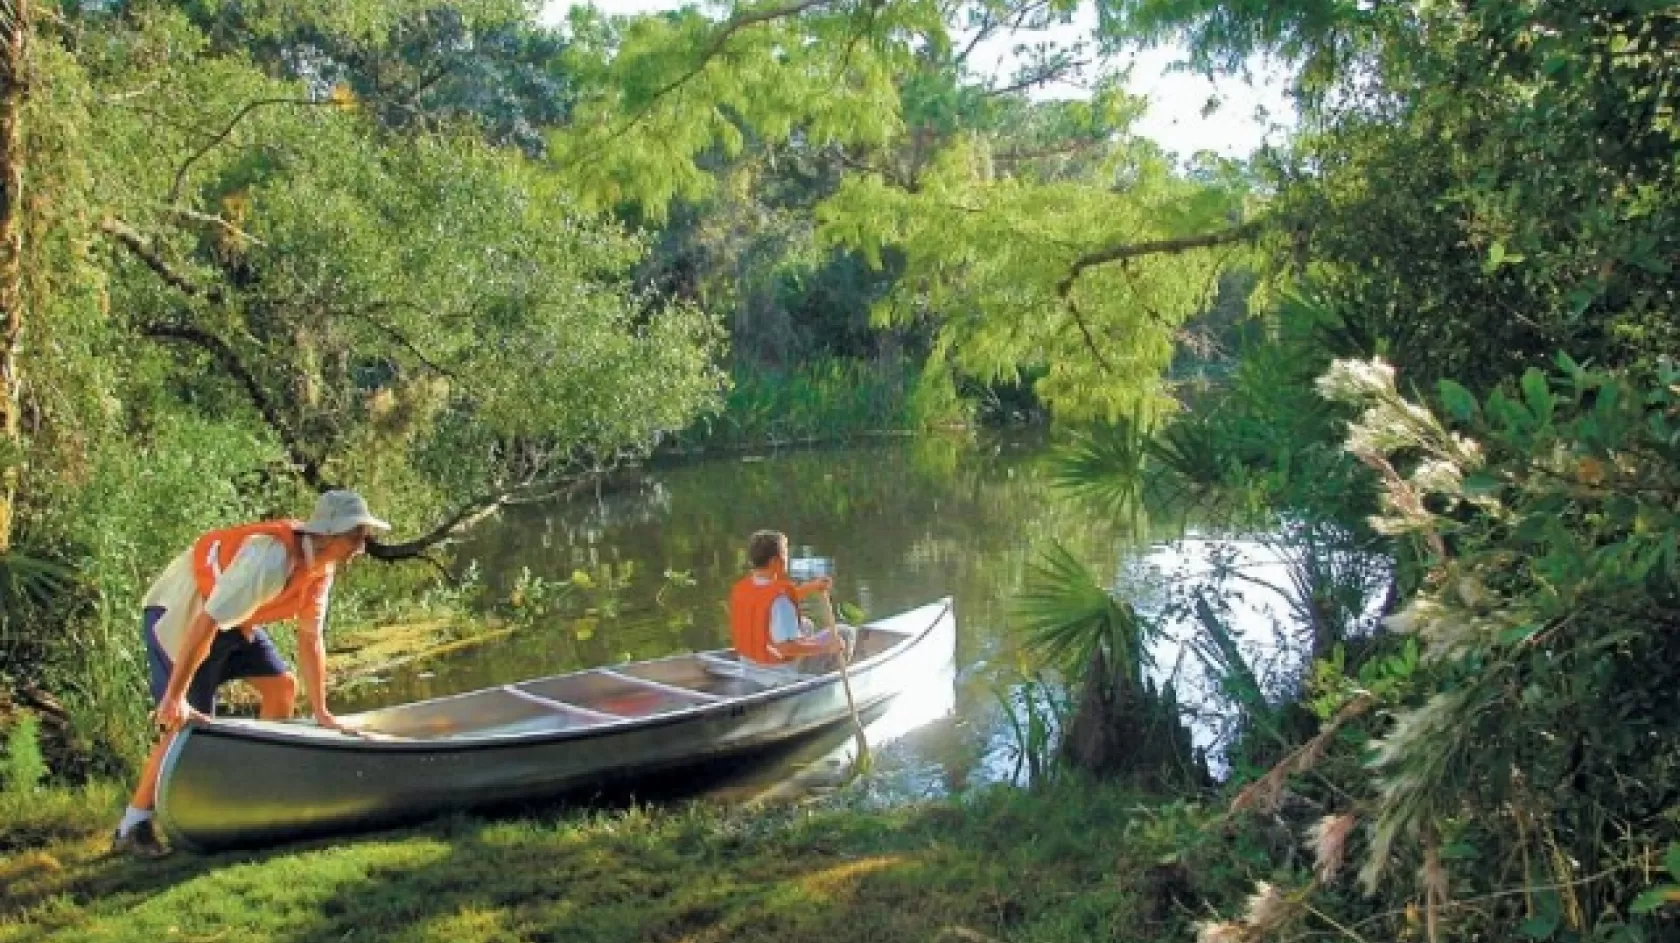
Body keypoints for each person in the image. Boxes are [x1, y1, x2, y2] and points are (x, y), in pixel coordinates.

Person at [110, 489, 391, 859]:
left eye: (364, 536)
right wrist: (174, 697)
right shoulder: (270, 560)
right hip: (183, 608)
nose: (361, 546)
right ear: (328, 533)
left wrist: (322, 712)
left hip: (230, 617)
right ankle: (133, 826)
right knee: (182, 724)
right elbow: (205, 623)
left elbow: (310, 639)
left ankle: (257, 793)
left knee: (281, 687)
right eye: (355, 536)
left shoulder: (322, 567)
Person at [728, 530, 854, 668]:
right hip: (779, 673)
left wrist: (811, 587)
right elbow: (786, 648)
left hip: (749, 664)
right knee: (845, 632)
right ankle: (829, 675)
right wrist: (826, 648)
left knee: (805, 624)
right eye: (785, 553)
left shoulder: (742, 588)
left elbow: (771, 603)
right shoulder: (781, 601)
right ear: (775, 561)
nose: (787, 558)